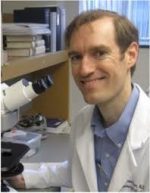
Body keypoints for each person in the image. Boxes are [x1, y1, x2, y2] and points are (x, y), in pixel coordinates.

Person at [8, 9, 150, 192]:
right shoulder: (84, 120)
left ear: (130, 55)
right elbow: (79, 170)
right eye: (76, 57)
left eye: (99, 53)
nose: (84, 70)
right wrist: (26, 178)